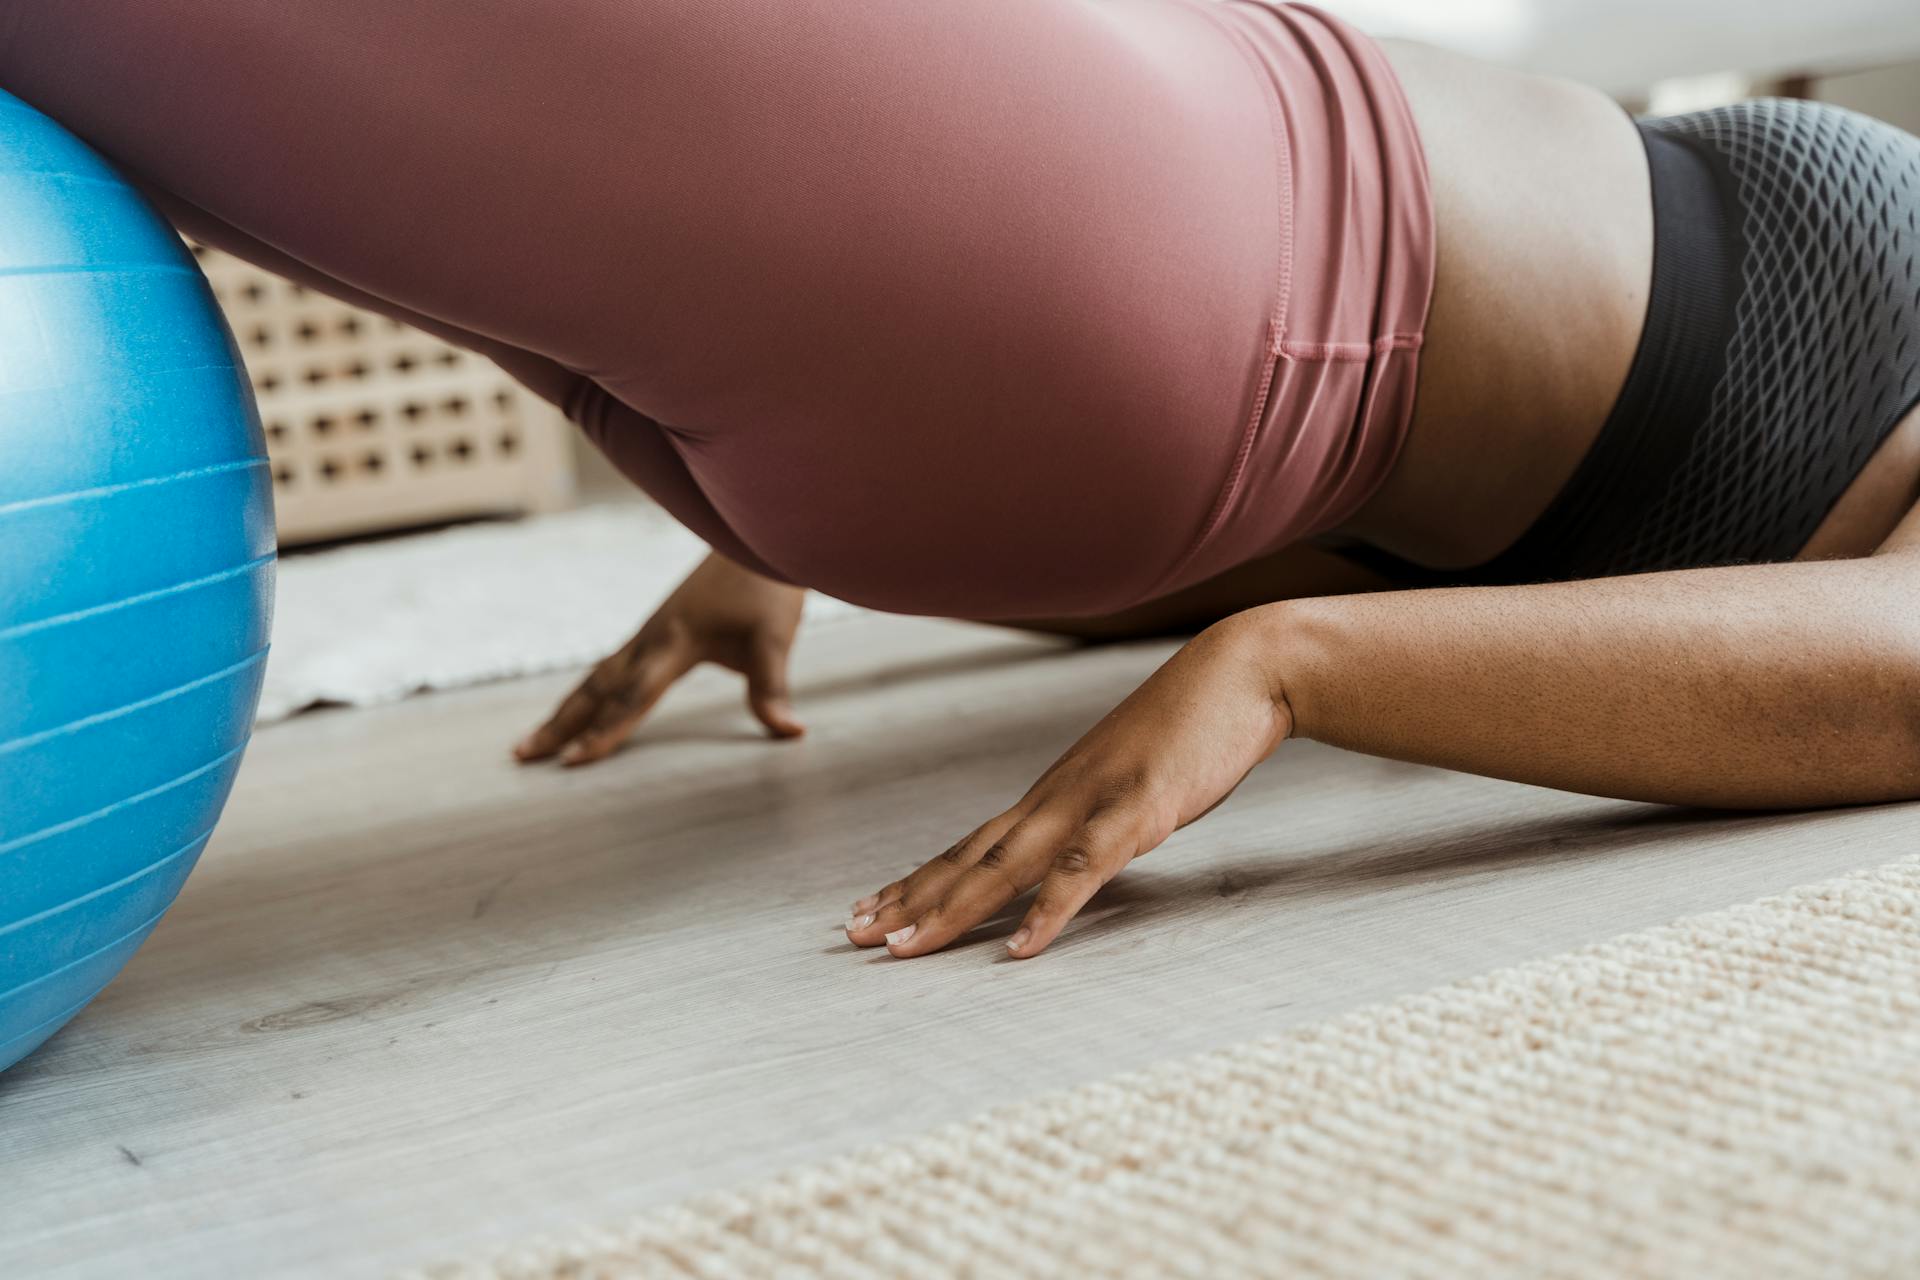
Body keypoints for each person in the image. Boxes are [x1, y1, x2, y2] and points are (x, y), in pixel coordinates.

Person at [10, 1, 1917, 962]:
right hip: (1121, 309)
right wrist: (797, 546)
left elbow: (1900, 657)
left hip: (1181, 243)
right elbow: (1470, 502)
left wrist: (1287, 665)